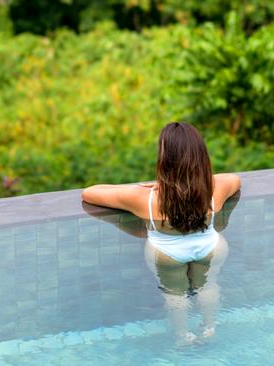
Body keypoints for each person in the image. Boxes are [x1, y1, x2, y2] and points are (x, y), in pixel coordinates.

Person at [81, 121, 241, 345]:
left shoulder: (144, 198)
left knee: (175, 295)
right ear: (201, 158)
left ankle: (183, 337)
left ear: (165, 160)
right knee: (208, 285)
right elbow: (234, 179)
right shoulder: (214, 191)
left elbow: (90, 193)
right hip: (210, 247)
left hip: (167, 253)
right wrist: (200, 180)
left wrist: (145, 186)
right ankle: (209, 328)